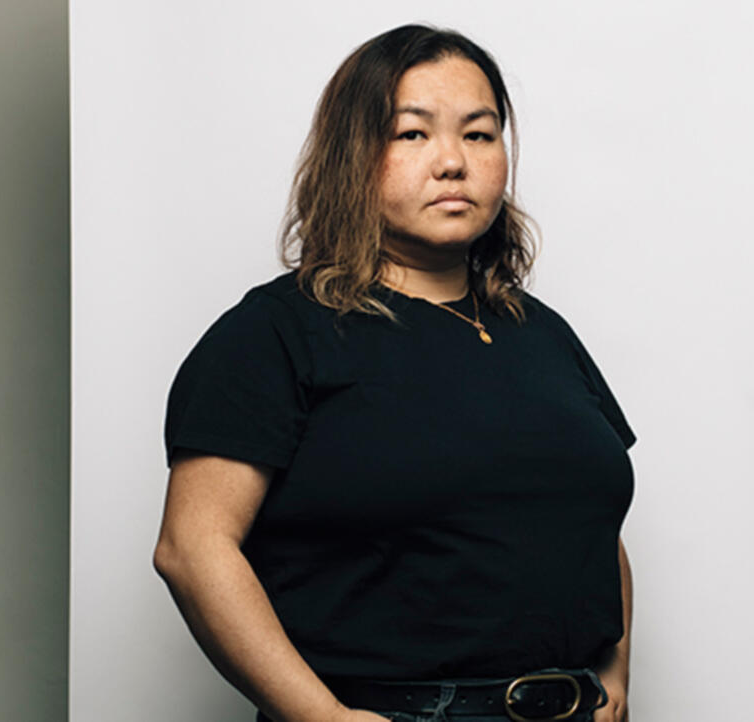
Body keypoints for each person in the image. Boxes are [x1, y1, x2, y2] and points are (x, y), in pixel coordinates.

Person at [154, 24, 635, 722]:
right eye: (412, 134)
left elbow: (593, 524)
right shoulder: (277, 332)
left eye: (479, 133)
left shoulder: (545, 334)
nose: (452, 162)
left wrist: (614, 672)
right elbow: (192, 548)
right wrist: (323, 718)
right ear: (353, 155)